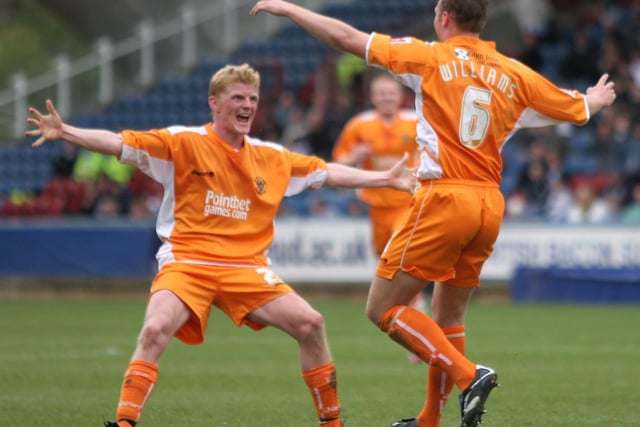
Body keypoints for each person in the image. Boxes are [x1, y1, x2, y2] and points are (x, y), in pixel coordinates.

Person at [249, 1, 617, 426]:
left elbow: (347, 39)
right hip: (488, 205)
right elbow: (575, 107)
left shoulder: (430, 56)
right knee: (449, 316)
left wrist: (292, 10)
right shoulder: (514, 72)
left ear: (444, 18)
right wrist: (597, 98)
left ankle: (469, 375)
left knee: (382, 308)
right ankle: (429, 420)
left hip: (444, 198)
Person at [26, 63, 416, 427]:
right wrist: (67, 132)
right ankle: (125, 422)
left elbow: (325, 173)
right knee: (156, 328)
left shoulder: (271, 156)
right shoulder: (182, 142)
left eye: (252, 99)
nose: (247, 106)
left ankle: (332, 423)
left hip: (245, 268)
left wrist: (385, 178)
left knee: (311, 323)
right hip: (187, 262)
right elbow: (117, 144)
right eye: (238, 98)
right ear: (215, 103)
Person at [332, 72, 430, 363]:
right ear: (374, 98)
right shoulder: (359, 125)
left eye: (391, 92)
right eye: (381, 93)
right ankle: (414, 322)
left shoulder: (416, 120)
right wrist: (355, 155)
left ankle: (419, 329)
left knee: (402, 262)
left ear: (399, 96)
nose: (387, 97)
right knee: (390, 267)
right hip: (376, 207)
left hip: (407, 204)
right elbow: (338, 163)